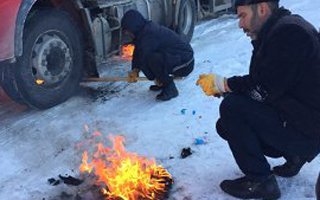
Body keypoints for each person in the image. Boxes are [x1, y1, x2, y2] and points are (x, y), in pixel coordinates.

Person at [196, 0, 320, 199]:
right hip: (302, 120)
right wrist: (229, 88)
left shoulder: (290, 35)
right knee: (226, 123)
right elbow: (269, 83)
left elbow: (263, 90)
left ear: (262, 9)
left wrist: (224, 84)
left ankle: (260, 181)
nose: (240, 24)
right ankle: (295, 156)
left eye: (243, 16)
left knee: (232, 109)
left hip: (309, 130)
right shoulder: (279, 29)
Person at [121, 9, 194, 101]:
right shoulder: (143, 32)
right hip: (178, 58)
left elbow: (144, 58)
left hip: (185, 62)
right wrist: (135, 69)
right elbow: (138, 51)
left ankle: (170, 89)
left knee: (153, 59)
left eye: (127, 30)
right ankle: (163, 83)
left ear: (134, 26)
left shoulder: (149, 34)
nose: (126, 33)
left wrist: (153, 77)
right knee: (153, 58)